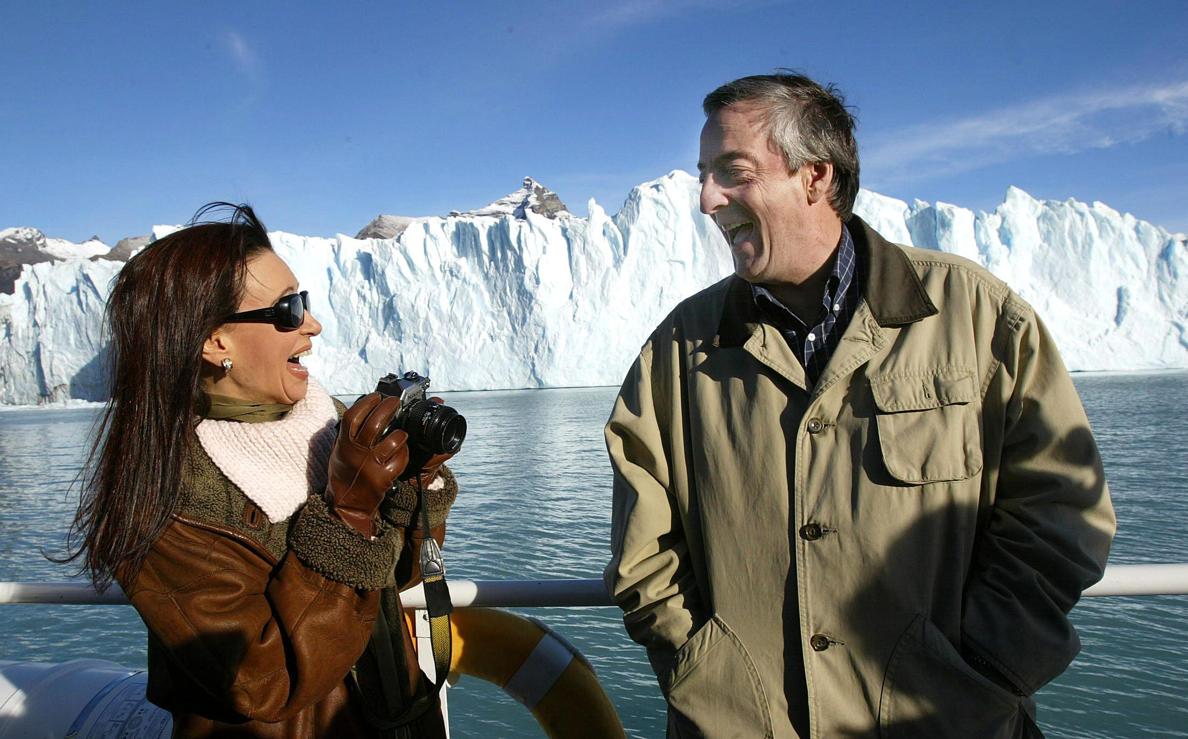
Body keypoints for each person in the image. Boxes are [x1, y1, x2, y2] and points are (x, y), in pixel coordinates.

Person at [604, 72, 1116, 738]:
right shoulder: (677, 352)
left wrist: (982, 668)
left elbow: (1062, 509)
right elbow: (645, 554)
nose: (707, 199)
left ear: (814, 177)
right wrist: (709, 675)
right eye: (705, 174)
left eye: (732, 172)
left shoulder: (979, 318)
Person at [65, 204, 458, 737]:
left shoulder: (322, 420)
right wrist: (347, 512)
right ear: (214, 340)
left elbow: (398, 574)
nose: (313, 324)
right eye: (288, 310)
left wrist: (416, 481)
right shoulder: (166, 496)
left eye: (306, 304)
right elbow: (262, 681)